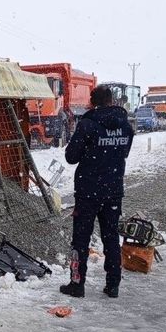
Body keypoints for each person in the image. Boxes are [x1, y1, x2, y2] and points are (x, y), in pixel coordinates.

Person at [60, 85, 134, 298]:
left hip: (88, 191)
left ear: (93, 102)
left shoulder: (87, 125)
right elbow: (124, 153)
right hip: (113, 190)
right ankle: (113, 285)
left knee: (80, 239)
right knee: (111, 237)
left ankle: (77, 283)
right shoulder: (125, 126)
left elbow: (71, 157)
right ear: (112, 100)